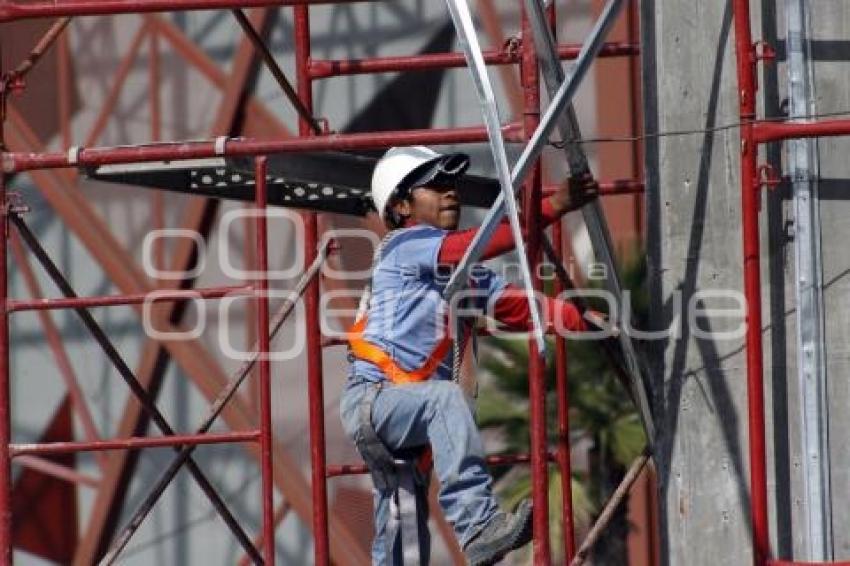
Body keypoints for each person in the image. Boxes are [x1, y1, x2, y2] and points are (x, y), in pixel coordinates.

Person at [339, 146, 599, 565]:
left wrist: (586, 321)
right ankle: (477, 524)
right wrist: (552, 207)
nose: (450, 194)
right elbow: (470, 246)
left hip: (403, 413)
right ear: (402, 206)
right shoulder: (405, 245)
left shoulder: (459, 272)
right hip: (380, 401)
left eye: (452, 186)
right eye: (436, 186)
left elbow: (517, 307)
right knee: (445, 397)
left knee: (402, 531)